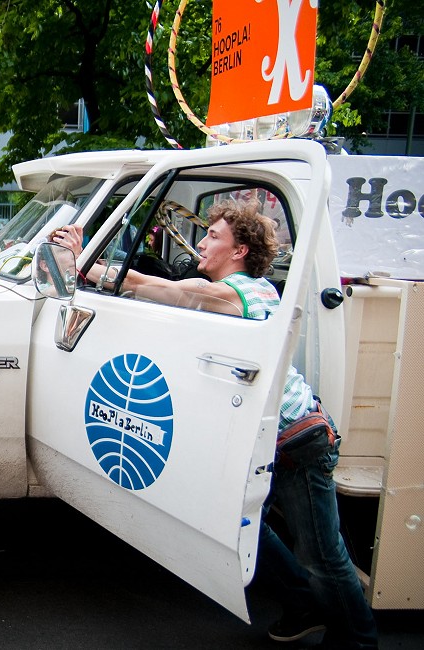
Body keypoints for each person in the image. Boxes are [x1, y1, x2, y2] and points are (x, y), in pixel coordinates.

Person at [60, 201, 378, 649]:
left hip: (298, 441)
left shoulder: (241, 292)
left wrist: (83, 262)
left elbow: (160, 288)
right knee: (238, 529)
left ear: (240, 251)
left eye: (213, 236)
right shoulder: (248, 289)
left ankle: (359, 641)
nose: (202, 242)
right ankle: (304, 605)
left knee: (323, 556)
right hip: (267, 440)